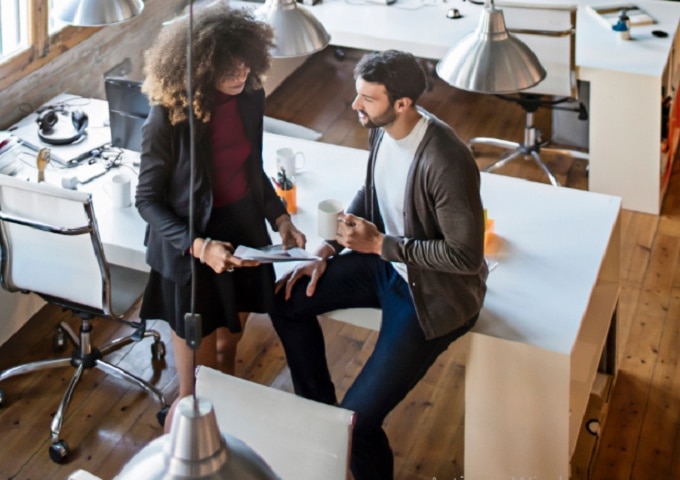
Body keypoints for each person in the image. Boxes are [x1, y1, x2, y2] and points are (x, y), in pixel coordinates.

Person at [270, 50, 488, 479]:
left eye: (367, 99)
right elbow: (370, 191)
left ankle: (341, 429)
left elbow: (465, 257)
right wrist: (327, 247)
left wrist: (381, 245)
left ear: (403, 103)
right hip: (387, 267)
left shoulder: (445, 160)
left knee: (358, 423)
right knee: (286, 297)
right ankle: (323, 421)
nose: (355, 107)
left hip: (431, 292)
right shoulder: (382, 130)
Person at [136, 5, 305, 430]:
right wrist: (200, 246)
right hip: (189, 246)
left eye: (247, 63)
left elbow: (252, 168)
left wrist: (280, 218)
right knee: (197, 383)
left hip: (243, 232)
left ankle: (226, 434)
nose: (241, 74)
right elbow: (147, 200)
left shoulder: (249, 97)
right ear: (200, 66)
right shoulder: (167, 115)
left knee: (230, 350)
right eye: (229, 67)